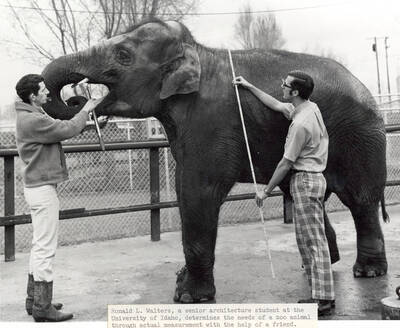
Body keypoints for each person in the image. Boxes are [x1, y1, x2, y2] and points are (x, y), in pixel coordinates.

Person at [234, 71, 335, 316]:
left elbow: (286, 163)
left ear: (295, 91)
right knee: (308, 240)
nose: (282, 86)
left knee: (314, 243)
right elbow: (278, 105)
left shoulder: (301, 124)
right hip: (311, 180)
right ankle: (319, 296)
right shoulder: (308, 108)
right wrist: (248, 85)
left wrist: (265, 192)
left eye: (285, 85)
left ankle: (324, 299)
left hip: (306, 180)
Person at [15, 74, 103, 322]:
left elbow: (64, 123)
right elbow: (67, 129)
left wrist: (79, 110)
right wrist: (87, 107)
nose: (48, 94)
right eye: (43, 91)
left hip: (38, 188)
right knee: (45, 247)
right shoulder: (32, 120)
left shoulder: (32, 114)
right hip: (42, 190)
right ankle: (43, 308)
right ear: (32, 96)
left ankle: (35, 301)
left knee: (38, 245)